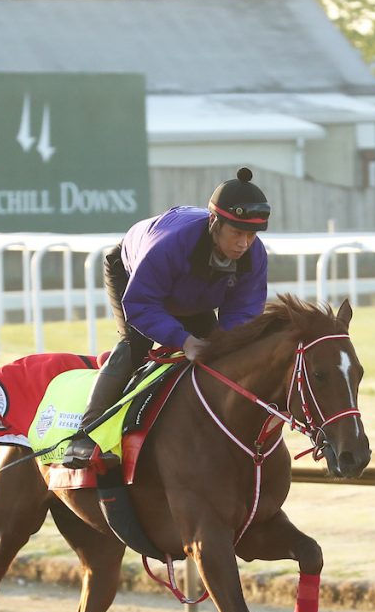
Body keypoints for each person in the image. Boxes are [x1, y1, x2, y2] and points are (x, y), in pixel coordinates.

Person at [61, 166, 271, 469]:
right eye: (237, 233)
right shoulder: (170, 245)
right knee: (134, 346)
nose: (244, 243)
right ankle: (85, 435)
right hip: (134, 275)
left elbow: (243, 312)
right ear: (215, 222)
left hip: (191, 294)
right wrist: (183, 340)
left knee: (221, 354)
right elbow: (142, 305)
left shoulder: (254, 255)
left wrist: (220, 344)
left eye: (251, 235)